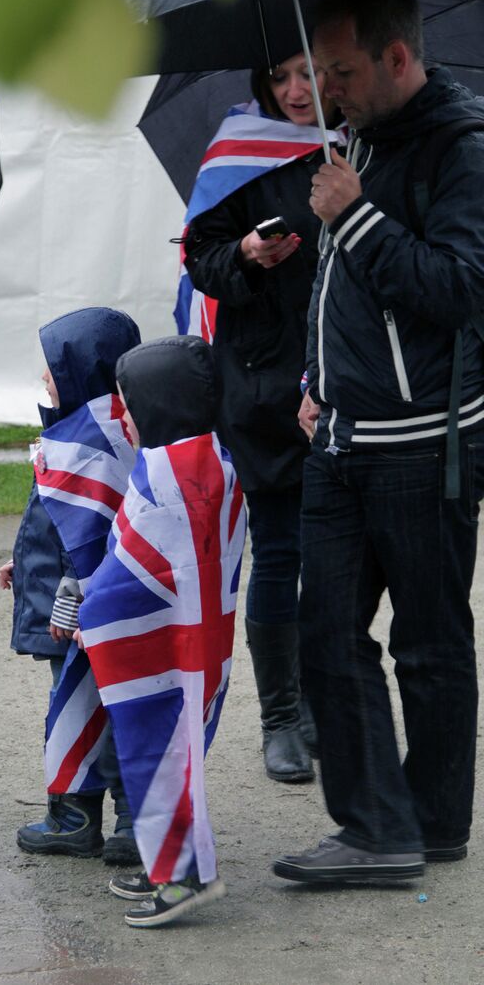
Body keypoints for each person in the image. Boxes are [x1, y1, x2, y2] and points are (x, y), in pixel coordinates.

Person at [273, 0, 484, 885]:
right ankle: (376, 827)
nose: (326, 89)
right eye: (319, 70)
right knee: (323, 632)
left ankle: (429, 826)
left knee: (429, 644)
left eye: (344, 70)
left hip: (426, 448)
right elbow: (344, 295)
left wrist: (352, 214)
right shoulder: (357, 140)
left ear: (399, 57)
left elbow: (459, 289)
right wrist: (318, 377)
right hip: (341, 436)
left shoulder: (462, 150)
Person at [183, 54, 343, 783]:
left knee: (340, 560)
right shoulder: (238, 152)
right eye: (281, 76)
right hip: (262, 384)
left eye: (310, 72)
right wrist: (245, 252)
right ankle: (282, 716)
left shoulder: (361, 145)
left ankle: (324, 703)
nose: (295, 90)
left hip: (350, 379)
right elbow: (202, 261)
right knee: (281, 551)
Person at [77, 335, 247, 928]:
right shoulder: (214, 459)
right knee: (176, 755)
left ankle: (182, 880)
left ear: (158, 402)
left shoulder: (166, 476)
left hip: (159, 645)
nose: (122, 412)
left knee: (158, 755)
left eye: (129, 400)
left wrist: (90, 614)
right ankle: (169, 866)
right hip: (197, 642)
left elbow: (132, 565)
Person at [0, 307, 142, 864]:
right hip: (70, 596)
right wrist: (24, 560)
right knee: (98, 703)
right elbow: (54, 516)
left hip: (83, 607)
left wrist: (63, 589)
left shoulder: (99, 441)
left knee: (99, 705)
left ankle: (99, 819)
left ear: (84, 370)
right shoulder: (86, 430)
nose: (43, 379)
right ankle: (98, 817)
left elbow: (100, 532)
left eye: (53, 368)